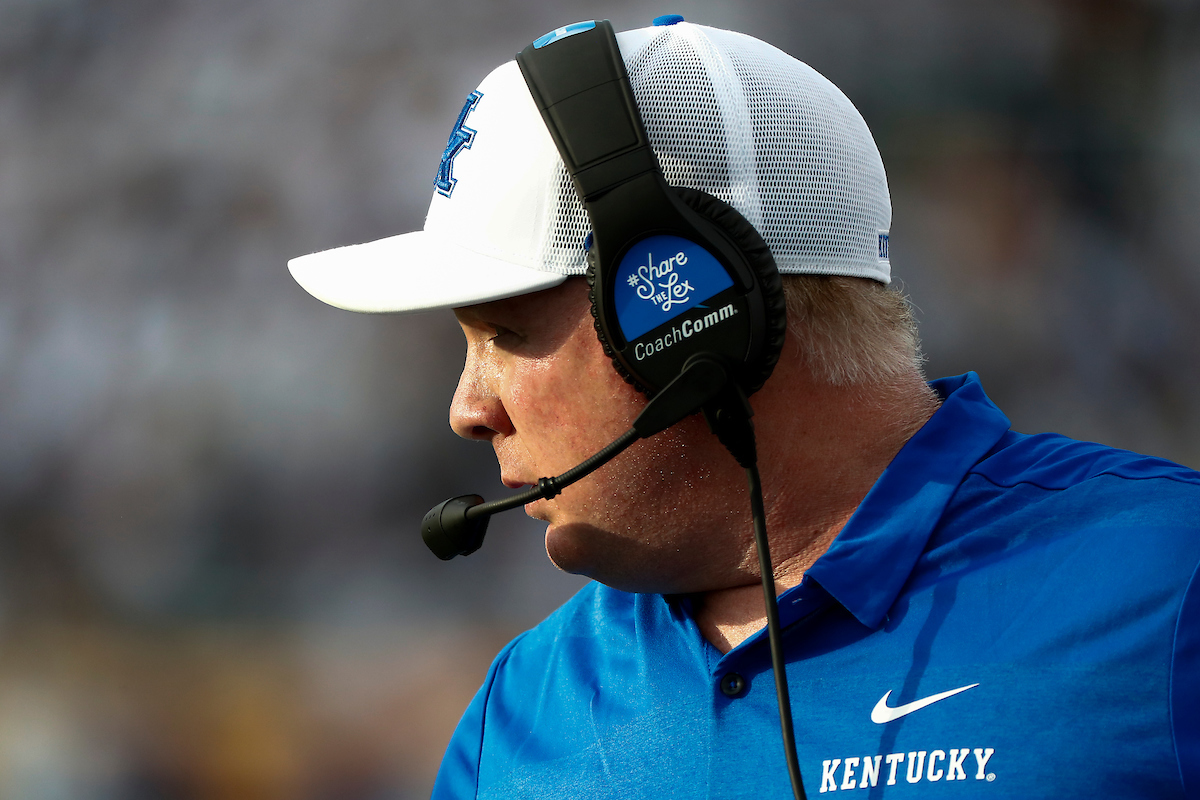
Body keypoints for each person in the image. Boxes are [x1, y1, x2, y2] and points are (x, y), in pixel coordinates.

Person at [288, 16, 1200, 800]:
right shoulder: (523, 711)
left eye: (508, 334)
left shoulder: (1168, 585)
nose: (468, 410)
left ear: (690, 321)